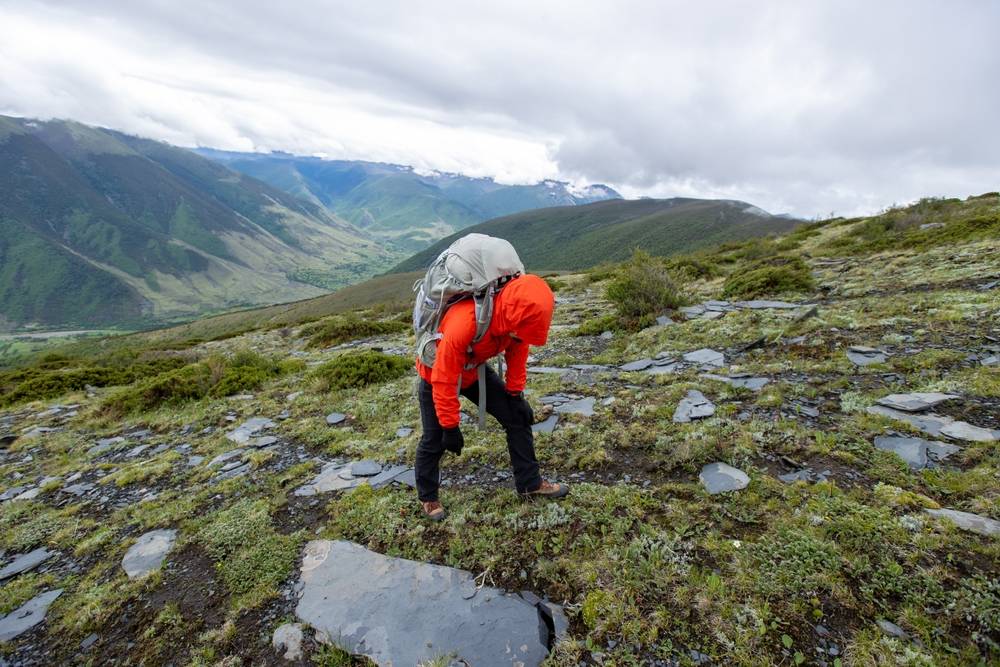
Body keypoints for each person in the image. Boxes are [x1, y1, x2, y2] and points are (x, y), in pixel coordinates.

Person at [415, 273, 568, 520]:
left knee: (517, 418)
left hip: (474, 372)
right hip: (435, 375)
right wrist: (450, 426)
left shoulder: (518, 322)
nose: (519, 338)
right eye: (520, 332)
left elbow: (518, 352)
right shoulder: (464, 323)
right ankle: (429, 498)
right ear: (510, 315)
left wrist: (516, 395)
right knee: (434, 439)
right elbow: (444, 379)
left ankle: (530, 484)